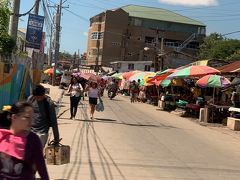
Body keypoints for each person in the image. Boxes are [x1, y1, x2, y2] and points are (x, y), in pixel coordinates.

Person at [0, 101, 49, 179]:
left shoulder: (33, 139)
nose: (31, 121)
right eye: (27, 117)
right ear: (14, 117)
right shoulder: (2, 135)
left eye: (32, 118)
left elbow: (41, 166)